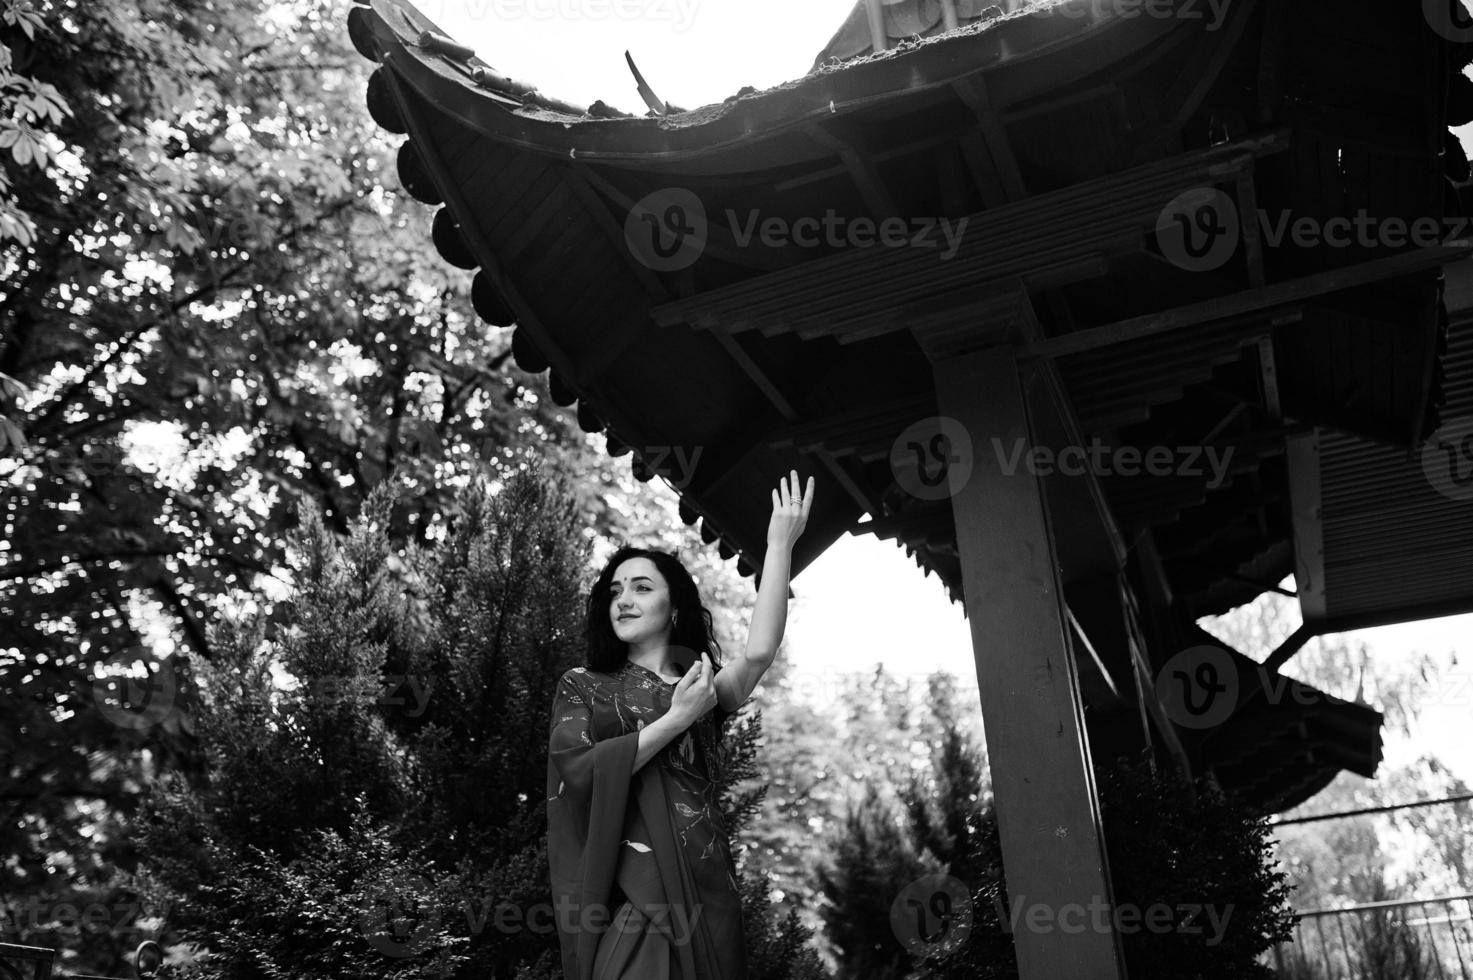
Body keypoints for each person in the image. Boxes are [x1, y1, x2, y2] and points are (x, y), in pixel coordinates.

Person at [546, 471, 815, 980]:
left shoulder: (701, 685)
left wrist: (779, 543)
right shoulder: (583, 685)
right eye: (615, 590)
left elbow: (759, 652)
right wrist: (676, 721)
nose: (623, 599)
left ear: (673, 610)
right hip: (636, 892)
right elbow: (578, 775)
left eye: (642, 588)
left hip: (707, 886)